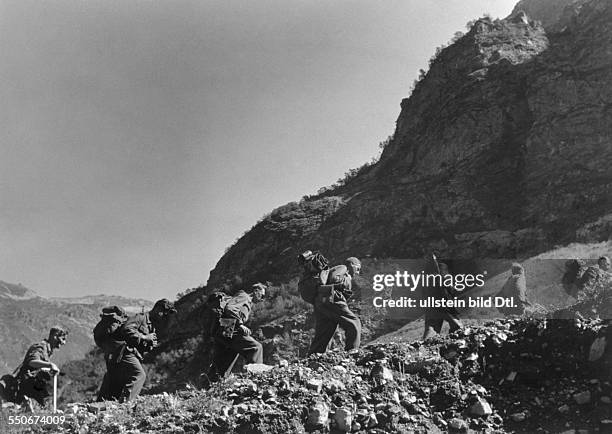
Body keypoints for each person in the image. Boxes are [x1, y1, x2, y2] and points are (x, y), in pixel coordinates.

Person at [115, 299, 176, 402]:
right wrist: (145, 337)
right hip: (126, 352)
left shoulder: (151, 325)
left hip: (135, 355)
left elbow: (143, 342)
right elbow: (126, 329)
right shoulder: (140, 318)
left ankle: (112, 405)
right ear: (158, 309)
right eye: (164, 313)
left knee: (118, 383)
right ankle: (126, 403)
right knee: (139, 375)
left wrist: (150, 344)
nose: (164, 316)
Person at [207, 283, 267, 381]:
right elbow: (230, 308)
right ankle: (256, 377)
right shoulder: (244, 296)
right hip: (228, 327)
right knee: (256, 348)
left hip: (223, 328)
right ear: (256, 291)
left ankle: (212, 384)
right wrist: (240, 324)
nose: (262, 299)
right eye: (262, 295)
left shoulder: (248, 302)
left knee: (226, 358)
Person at [308, 257, 362, 354]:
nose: (357, 272)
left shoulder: (343, 272)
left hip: (321, 301)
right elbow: (334, 277)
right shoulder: (343, 267)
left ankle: (314, 355)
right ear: (352, 265)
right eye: (357, 269)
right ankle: (353, 350)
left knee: (326, 329)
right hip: (332, 298)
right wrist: (341, 285)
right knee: (354, 322)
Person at [15, 326, 67, 410]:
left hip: (34, 387)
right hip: (25, 387)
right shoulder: (41, 347)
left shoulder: (48, 350)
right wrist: (50, 365)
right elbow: (32, 362)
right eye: (63, 338)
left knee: (45, 408)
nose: (64, 342)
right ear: (55, 336)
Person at [422, 253, 463, 340]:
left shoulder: (429, 274)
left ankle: (423, 350)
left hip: (433, 305)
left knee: (431, 329)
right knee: (458, 328)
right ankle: (454, 344)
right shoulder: (442, 270)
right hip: (443, 304)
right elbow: (447, 287)